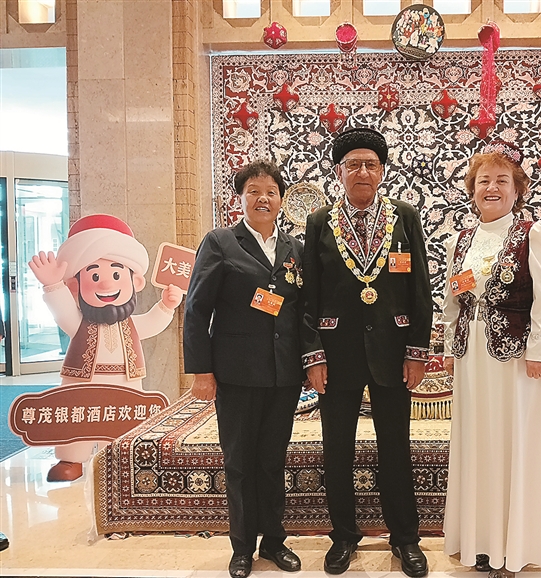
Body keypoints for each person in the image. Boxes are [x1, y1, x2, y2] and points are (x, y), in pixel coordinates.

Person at [302, 127, 432, 577]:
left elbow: (419, 288)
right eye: (353, 164)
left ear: (382, 171)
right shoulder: (320, 221)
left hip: (393, 351)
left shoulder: (404, 216)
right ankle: (343, 536)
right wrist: (313, 355)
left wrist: (416, 351)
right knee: (336, 447)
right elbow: (310, 295)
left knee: (396, 446)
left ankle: (405, 539)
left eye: (370, 164)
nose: (362, 171)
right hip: (336, 353)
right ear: (339, 172)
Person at [442, 141, 541, 576]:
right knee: (478, 441)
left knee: (513, 440)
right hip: (471, 358)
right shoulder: (460, 240)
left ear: (517, 189)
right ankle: (481, 540)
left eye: (502, 180)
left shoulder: (533, 234)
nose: (492, 188)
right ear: (472, 190)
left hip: (517, 361)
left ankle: (515, 545)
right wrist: (449, 349)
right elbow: (453, 301)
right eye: (484, 181)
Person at [184, 161, 304, 578]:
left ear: (281, 199)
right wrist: (201, 370)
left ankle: (274, 541)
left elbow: (300, 310)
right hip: (236, 374)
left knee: (272, 460)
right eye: (253, 191)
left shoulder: (294, 248)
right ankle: (242, 547)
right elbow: (196, 309)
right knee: (238, 461)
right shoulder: (220, 242)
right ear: (241, 198)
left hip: (283, 375)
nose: (262, 199)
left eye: (271, 191)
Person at [28, 214, 183, 482]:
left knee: (123, 422)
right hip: (81, 384)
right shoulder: (78, 323)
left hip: (125, 386)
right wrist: (52, 285)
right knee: (77, 419)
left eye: (116, 274)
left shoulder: (131, 325)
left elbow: (152, 322)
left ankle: (120, 459)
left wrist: (166, 306)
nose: (107, 284)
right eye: (95, 275)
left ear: (135, 282)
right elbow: (63, 310)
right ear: (75, 286)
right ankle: (72, 459)